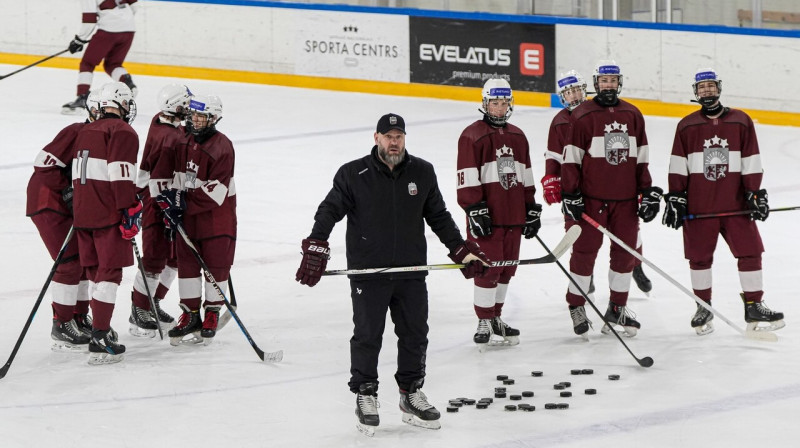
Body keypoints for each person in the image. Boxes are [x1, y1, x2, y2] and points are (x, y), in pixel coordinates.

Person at [296, 113, 490, 436]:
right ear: (376, 138)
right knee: (368, 334)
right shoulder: (352, 174)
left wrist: (461, 250)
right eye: (388, 136)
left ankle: (410, 393)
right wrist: (317, 242)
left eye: (399, 135)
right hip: (369, 272)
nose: (394, 141)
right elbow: (329, 210)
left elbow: (439, 217)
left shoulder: (422, 172)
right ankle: (366, 392)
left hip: (411, 271)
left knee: (415, 333)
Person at [663, 68, 784, 335]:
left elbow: (751, 158)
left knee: (751, 252)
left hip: (736, 205)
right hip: (699, 207)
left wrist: (753, 192)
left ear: (719, 88)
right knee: (699, 258)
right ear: (695, 93)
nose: (706, 91)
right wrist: (676, 196)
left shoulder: (741, 121)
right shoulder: (686, 125)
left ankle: (754, 305)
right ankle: (703, 306)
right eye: (701, 87)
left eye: (710, 86)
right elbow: (678, 164)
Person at [560, 60, 662, 338]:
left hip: (625, 201)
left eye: (613, 80)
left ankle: (617, 307)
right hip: (592, 201)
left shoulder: (632, 114)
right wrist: (571, 194)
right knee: (583, 256)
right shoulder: (582, 114)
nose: (608, 85)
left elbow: (641, 156)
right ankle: (577, 305)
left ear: (619, 82)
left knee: (625, 256)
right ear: (595, 83)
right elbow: (571, 159)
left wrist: (648, 191)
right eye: (604, 81)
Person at [543, 70, 653, 298]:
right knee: (579, 235)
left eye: (576, 90)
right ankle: (587, 275)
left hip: (609, 186)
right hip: (579, 190)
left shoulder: (598, 113)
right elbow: (554, 155)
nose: (573, 96)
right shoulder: (560, 121)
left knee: (629, 233)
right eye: (568, 92)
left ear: (586, 90)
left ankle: (636, 265)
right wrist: (551, 179)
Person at [456, 78, 540, 348]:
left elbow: (525, 175)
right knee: (487, 269)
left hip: (514, 215)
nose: (500, 108)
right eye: (495, 103)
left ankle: (495, 318)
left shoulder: (517, 135)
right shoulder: (472, 135)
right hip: (487, 217)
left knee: (506, 269)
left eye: (504, 103)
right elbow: (466, 176)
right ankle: (483, 319)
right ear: (485, 104)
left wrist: (531, 208)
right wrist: (473, 208)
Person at [156, 94, 236, 347]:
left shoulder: (223, 147)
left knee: (216, 266)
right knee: (187, 267)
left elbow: (216, 192)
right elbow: (171, 176)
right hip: (187, 218)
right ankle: (190, 315)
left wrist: (181, 201)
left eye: (202, 116)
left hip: (216, 219)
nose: (196, 120)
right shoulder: (181, 139)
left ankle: (211, 313)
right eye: (193, 115)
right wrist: (168, 200)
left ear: (214, 118)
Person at [26, 92, 102, 352]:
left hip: (68, 206)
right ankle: (62, 323)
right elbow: (43, 163)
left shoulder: (104, 136)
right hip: (48, 202)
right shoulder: (76, 131)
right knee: (69, 261)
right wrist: (67, 191)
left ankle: (78, 317)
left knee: (81, 260)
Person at [71, 81, 140, 365]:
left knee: (93, 272)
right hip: (107, 212)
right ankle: (100, 335)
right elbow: (120, 173)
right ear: (123, 105)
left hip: (83, 212)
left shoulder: (85, 129)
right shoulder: (122, 130)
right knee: (109, 274)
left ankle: (99, 328)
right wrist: (130, 208)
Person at [128, 84, 193, 338]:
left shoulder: (161, 120)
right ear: (176, 107)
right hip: (157, 201)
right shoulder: (170, 140)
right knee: (155, 258)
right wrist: (169, 208)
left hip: (158, 196)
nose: (189, 109)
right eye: (185, 105)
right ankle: (139, 312)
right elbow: (161, 181)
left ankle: (152, 302)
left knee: (174, 257)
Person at [62, 0, 139, 114]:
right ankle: (127, 83)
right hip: (129, 29)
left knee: (87, 63)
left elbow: (89, 21)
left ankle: (83, 97)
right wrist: (120, 20)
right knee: (113, 64)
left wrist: (79, 40)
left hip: (108, 30)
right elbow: (134, 6)